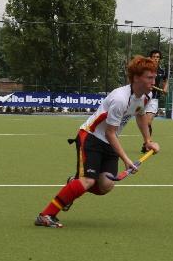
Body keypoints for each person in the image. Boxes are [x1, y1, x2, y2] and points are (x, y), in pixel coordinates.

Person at [35, 56, 160, 228]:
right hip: (91, 137)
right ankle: (46, 215)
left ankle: (73, 185)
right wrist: (126, 159)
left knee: (106, 185)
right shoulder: (120, 99)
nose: (154, 81)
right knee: (88, 180)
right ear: (136, 78)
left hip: (110, 141)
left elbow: (140, 115)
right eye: (149, 77)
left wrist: (148, 141)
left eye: (154, 77)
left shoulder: (146, 96)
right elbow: (110, 132)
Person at [141, 49, 168, 153]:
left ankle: (146, 144)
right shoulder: (145, 68)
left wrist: (165, 88)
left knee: (148, 122)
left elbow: (166, 80)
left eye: (158, 57)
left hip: (154, 98)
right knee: (143, 122)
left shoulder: (162, 70)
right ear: (150, 57)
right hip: (143, 96)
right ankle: (147, 142)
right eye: (154, 57)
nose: (156, 59)